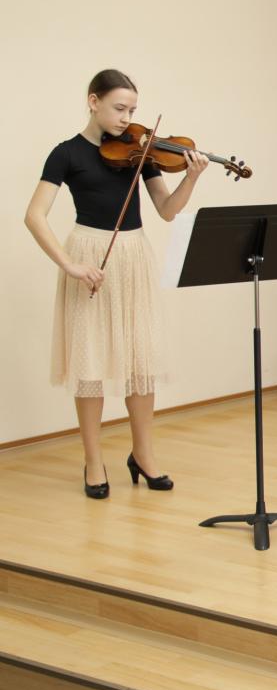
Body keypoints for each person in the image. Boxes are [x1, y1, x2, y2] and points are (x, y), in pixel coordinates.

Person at [24, 69, 209, 499]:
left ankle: (143, 454)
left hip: (134, 255)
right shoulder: (66, 153)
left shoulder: (139, 151)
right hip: (89, 254)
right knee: (89, 362)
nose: (127, 119)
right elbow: (34, 215)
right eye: (119, 108)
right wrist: (70, 264)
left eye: (133, 110)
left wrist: (191, 177)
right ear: (94, 102)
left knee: (140, 361)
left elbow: (166, 210)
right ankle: (93, 461)